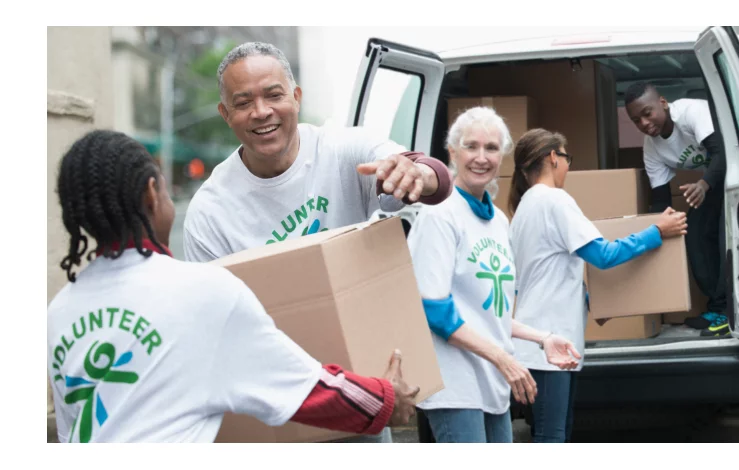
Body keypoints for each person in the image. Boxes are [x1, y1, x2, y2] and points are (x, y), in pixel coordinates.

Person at [47, 130, 419, 443]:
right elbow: (306, 390)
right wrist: (387, 400)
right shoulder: (199, 292)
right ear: (150, 194)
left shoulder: (59, 311)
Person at [181, 42, 453, 442]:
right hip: (281, 413)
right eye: (243, 102)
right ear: (225, 114)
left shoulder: (342, 150)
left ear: (296, 96)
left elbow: (427, 176)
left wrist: (419, 175)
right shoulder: (210, 212)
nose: (261, 112)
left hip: (367, 399)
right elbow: (216, 332)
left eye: (274, 95)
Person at [407, 108, 581, 443]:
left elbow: (490, 311)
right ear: (453, 153)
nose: (481, 157)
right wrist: (504, 359)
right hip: (455, 386)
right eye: (471, 146)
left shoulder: (499, 222)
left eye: (491, 148)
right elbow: (434, 309)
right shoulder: (440, 216)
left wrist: (542, 338)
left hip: (492, 382)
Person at [507, 128, 688, 443]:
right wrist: (656, 231)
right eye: (567, 158)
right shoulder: (554, 200)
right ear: (553, 157)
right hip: (549, 343)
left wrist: (592, 303)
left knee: (548, 433)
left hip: (542, 341)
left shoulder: (524, 207)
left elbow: (545, 275)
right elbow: (604, 256)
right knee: (552, 437)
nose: (568, 166)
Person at [624, 82, 729, 336]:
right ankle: (718, 307)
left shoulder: (691, 113)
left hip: (738, 175)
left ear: (663, 103)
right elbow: (661, 198)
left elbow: (723, 153)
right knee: (694, 236)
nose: (645, 123)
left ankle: (731, 310)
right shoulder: (651, 147)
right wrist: (655, 230)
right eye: (636, 120)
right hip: (712, 185)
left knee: (725, 237)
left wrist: (703, 184)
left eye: (647, 113)